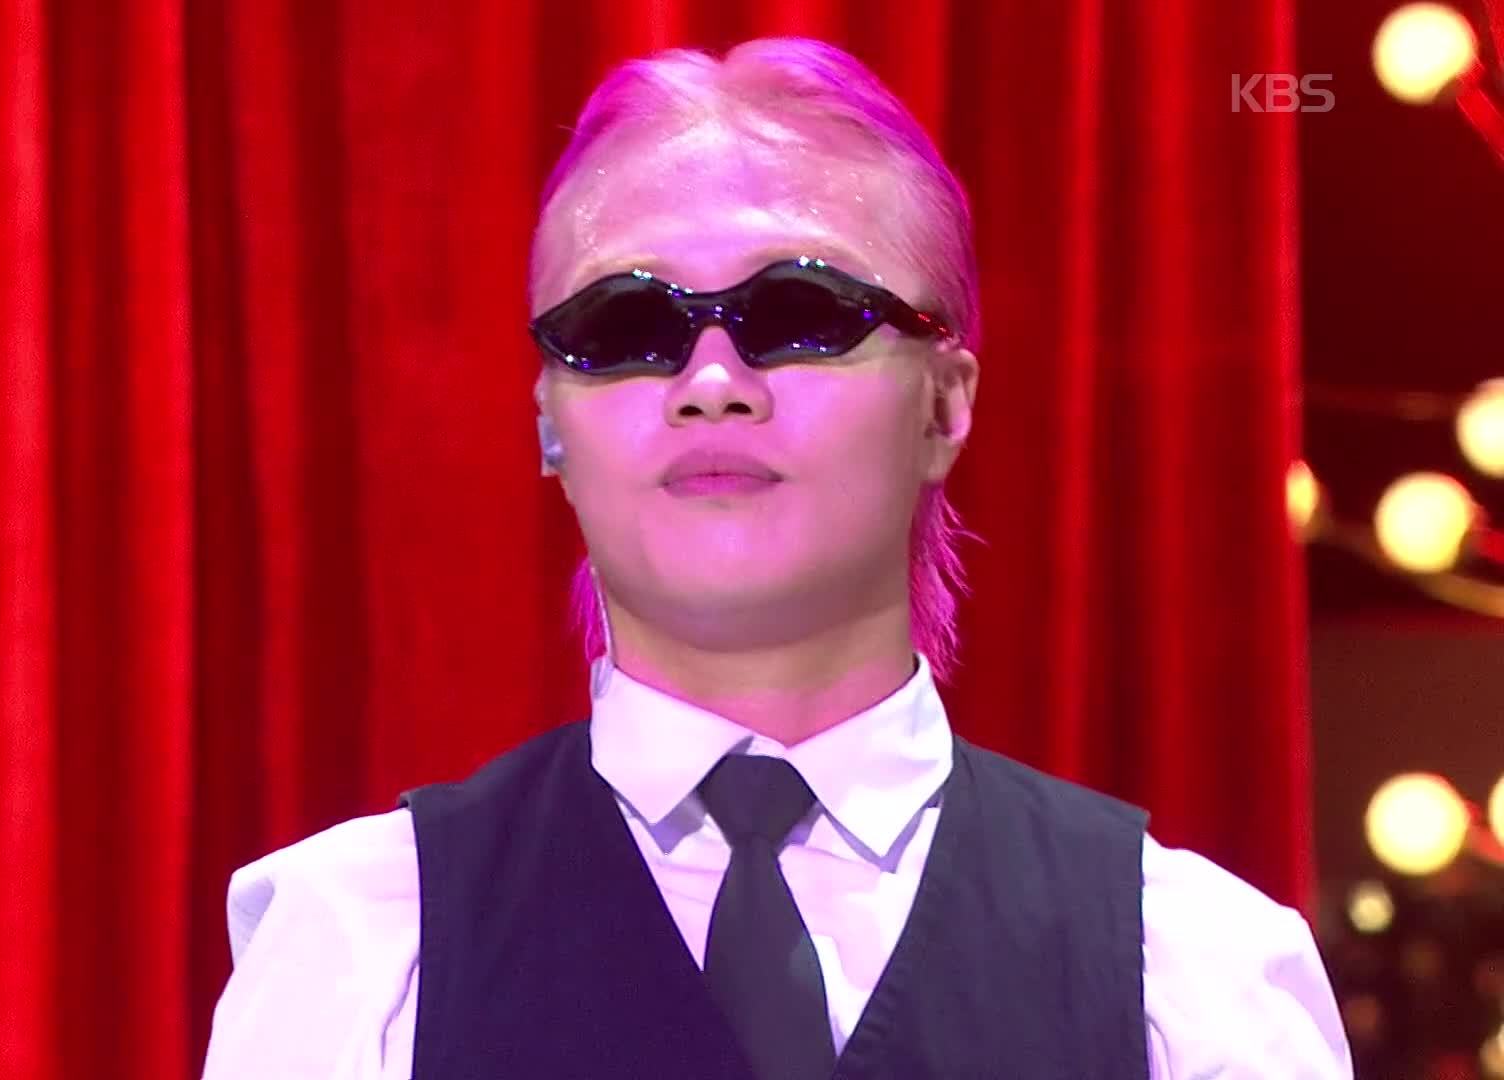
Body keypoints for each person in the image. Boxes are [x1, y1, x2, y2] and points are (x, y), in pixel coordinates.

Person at [201, 36, 1351, 1080]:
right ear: (549, 422)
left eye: (801, 310)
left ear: (946, 404)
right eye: (624, 329)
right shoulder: (362, 945)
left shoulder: (1188, 967)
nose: (711, 383)